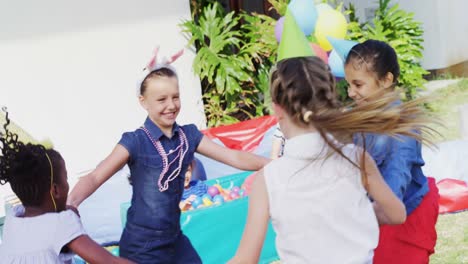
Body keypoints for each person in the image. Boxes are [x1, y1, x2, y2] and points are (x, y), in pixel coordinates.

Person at [227, 52, 438, 263]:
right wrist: (354, 216)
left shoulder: (268, 178)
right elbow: (396, 214)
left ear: (277, 108)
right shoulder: (357, 157)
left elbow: (246, 259)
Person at [66, 47, 270, 263]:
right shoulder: (135, 141)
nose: (171, 105)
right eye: (161, 99)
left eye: (176, 97)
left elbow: (234, 157)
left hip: (175, 241)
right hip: (141, 247)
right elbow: (96, 176)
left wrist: (274, 164)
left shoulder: (188, 136)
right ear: (143, 101)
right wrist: (71, 204)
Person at [345, 39, 439, 263]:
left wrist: (353, 217)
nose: (350, 93)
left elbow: (394, 188)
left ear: (386, 80)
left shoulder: (401, 127)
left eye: (358, 85)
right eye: (348, 85)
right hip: (376, 214)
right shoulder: (360, 116)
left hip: (402, 217)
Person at [0, 109, 133, 264]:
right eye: (66, 179)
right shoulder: (61, 223)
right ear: (55, 190)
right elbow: (109, 262)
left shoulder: (13, 218)